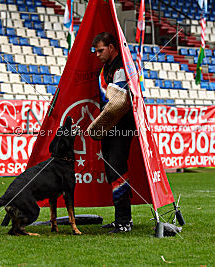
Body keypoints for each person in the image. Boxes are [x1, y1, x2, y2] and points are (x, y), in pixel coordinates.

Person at [91, 32, 136, 233]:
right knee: (111, 171)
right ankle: (121, 219)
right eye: (96, 51)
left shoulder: (120, 66)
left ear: (111, 47)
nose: (98, 54)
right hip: (109, 126)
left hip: (122, 127)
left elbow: (119, 101)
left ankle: (125, 221)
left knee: (117, 169)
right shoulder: (105, 69)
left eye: (101, 50)